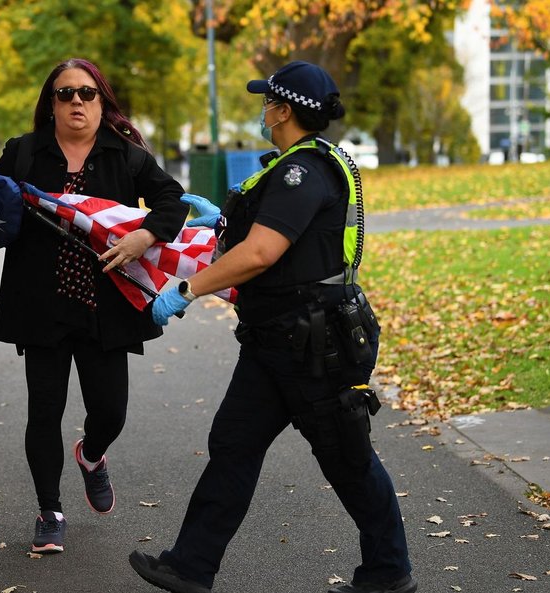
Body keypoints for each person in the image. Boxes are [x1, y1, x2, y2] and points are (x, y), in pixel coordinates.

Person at [128, 61, 416, 593]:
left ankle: (389, 573)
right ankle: (189, 566)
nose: (262, 110)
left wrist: (186, 290)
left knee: (346, 458)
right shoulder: (309, 165)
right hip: (278, 339)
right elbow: (289, 243)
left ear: (284, 110)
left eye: (267, 102)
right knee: (234, 443)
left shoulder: (300, 171)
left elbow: (262, 252)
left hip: (309, 344)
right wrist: (221, 221)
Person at [0, 58, 188, 554]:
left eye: (86, 93)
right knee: (44, 411)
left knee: (110, 411)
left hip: (108, 307)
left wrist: (144, 236)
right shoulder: (22, 153)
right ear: (50, 103)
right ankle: (49, 511)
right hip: (40, 305)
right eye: (65, 94)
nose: (76, 101)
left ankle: (93, 455)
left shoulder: (125, 156)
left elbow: (172, 200)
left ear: (102, 101)